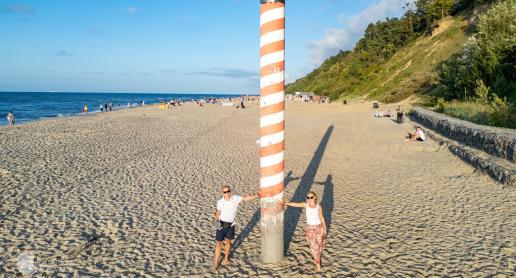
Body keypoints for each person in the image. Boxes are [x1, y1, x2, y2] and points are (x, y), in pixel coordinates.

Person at [212, 186, 258, 271]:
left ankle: (226, 259)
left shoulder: (235, 198)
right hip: (221, 225)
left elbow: (245, 198)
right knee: (219, 244)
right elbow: (218, 212)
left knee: (228, 243)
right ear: (223, 193)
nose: (226, 193)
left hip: (231, 225)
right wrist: (217, 224)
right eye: (224, 192)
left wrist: (257, 195)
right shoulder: (220, 202)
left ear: (230, 191)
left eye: (227, 191)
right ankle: (216, 262)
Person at [284, 191, 327, 272]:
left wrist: (325, 228)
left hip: (319, 227)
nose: (309, 199)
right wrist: (287, 203)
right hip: (310, 228)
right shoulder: (305, 205)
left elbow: (321, 217)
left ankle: (317, 258)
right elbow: (296, 204)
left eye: (311, 197)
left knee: (320, 245)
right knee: (314, 246)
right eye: (308, 197)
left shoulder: (318, 207)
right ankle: (318, 265)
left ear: (315, 197)